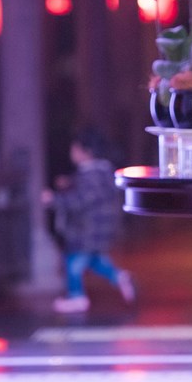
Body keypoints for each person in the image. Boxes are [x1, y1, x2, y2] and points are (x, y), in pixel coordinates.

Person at [43, 127, 136, 313]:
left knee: (73, 261)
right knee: (94, 260)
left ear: (86, 152)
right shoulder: (102, 172)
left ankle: (77, 296)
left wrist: (54, 199)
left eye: (75, 149)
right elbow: (90, 191)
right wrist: (70, 182)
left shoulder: (90, 176)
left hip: (86, 229)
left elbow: (80, 200)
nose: (72, 153)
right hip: (101, 228)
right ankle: (119, 277)